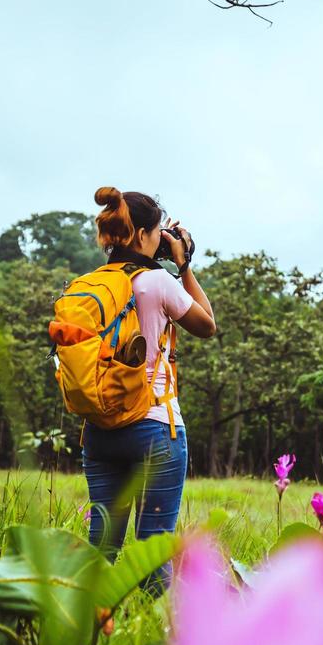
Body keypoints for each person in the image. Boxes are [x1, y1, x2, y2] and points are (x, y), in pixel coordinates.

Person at [83, 187, 215, 587]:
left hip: (100, 429)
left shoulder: (91, 283)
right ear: (141, 235)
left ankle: (91, 632)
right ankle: (150, 640)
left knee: (101, 549)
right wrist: (184, 266)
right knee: (151, 550)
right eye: (157, 231)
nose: (161, 238)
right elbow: (207, 324)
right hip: (154, 425)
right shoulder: (158, 281)